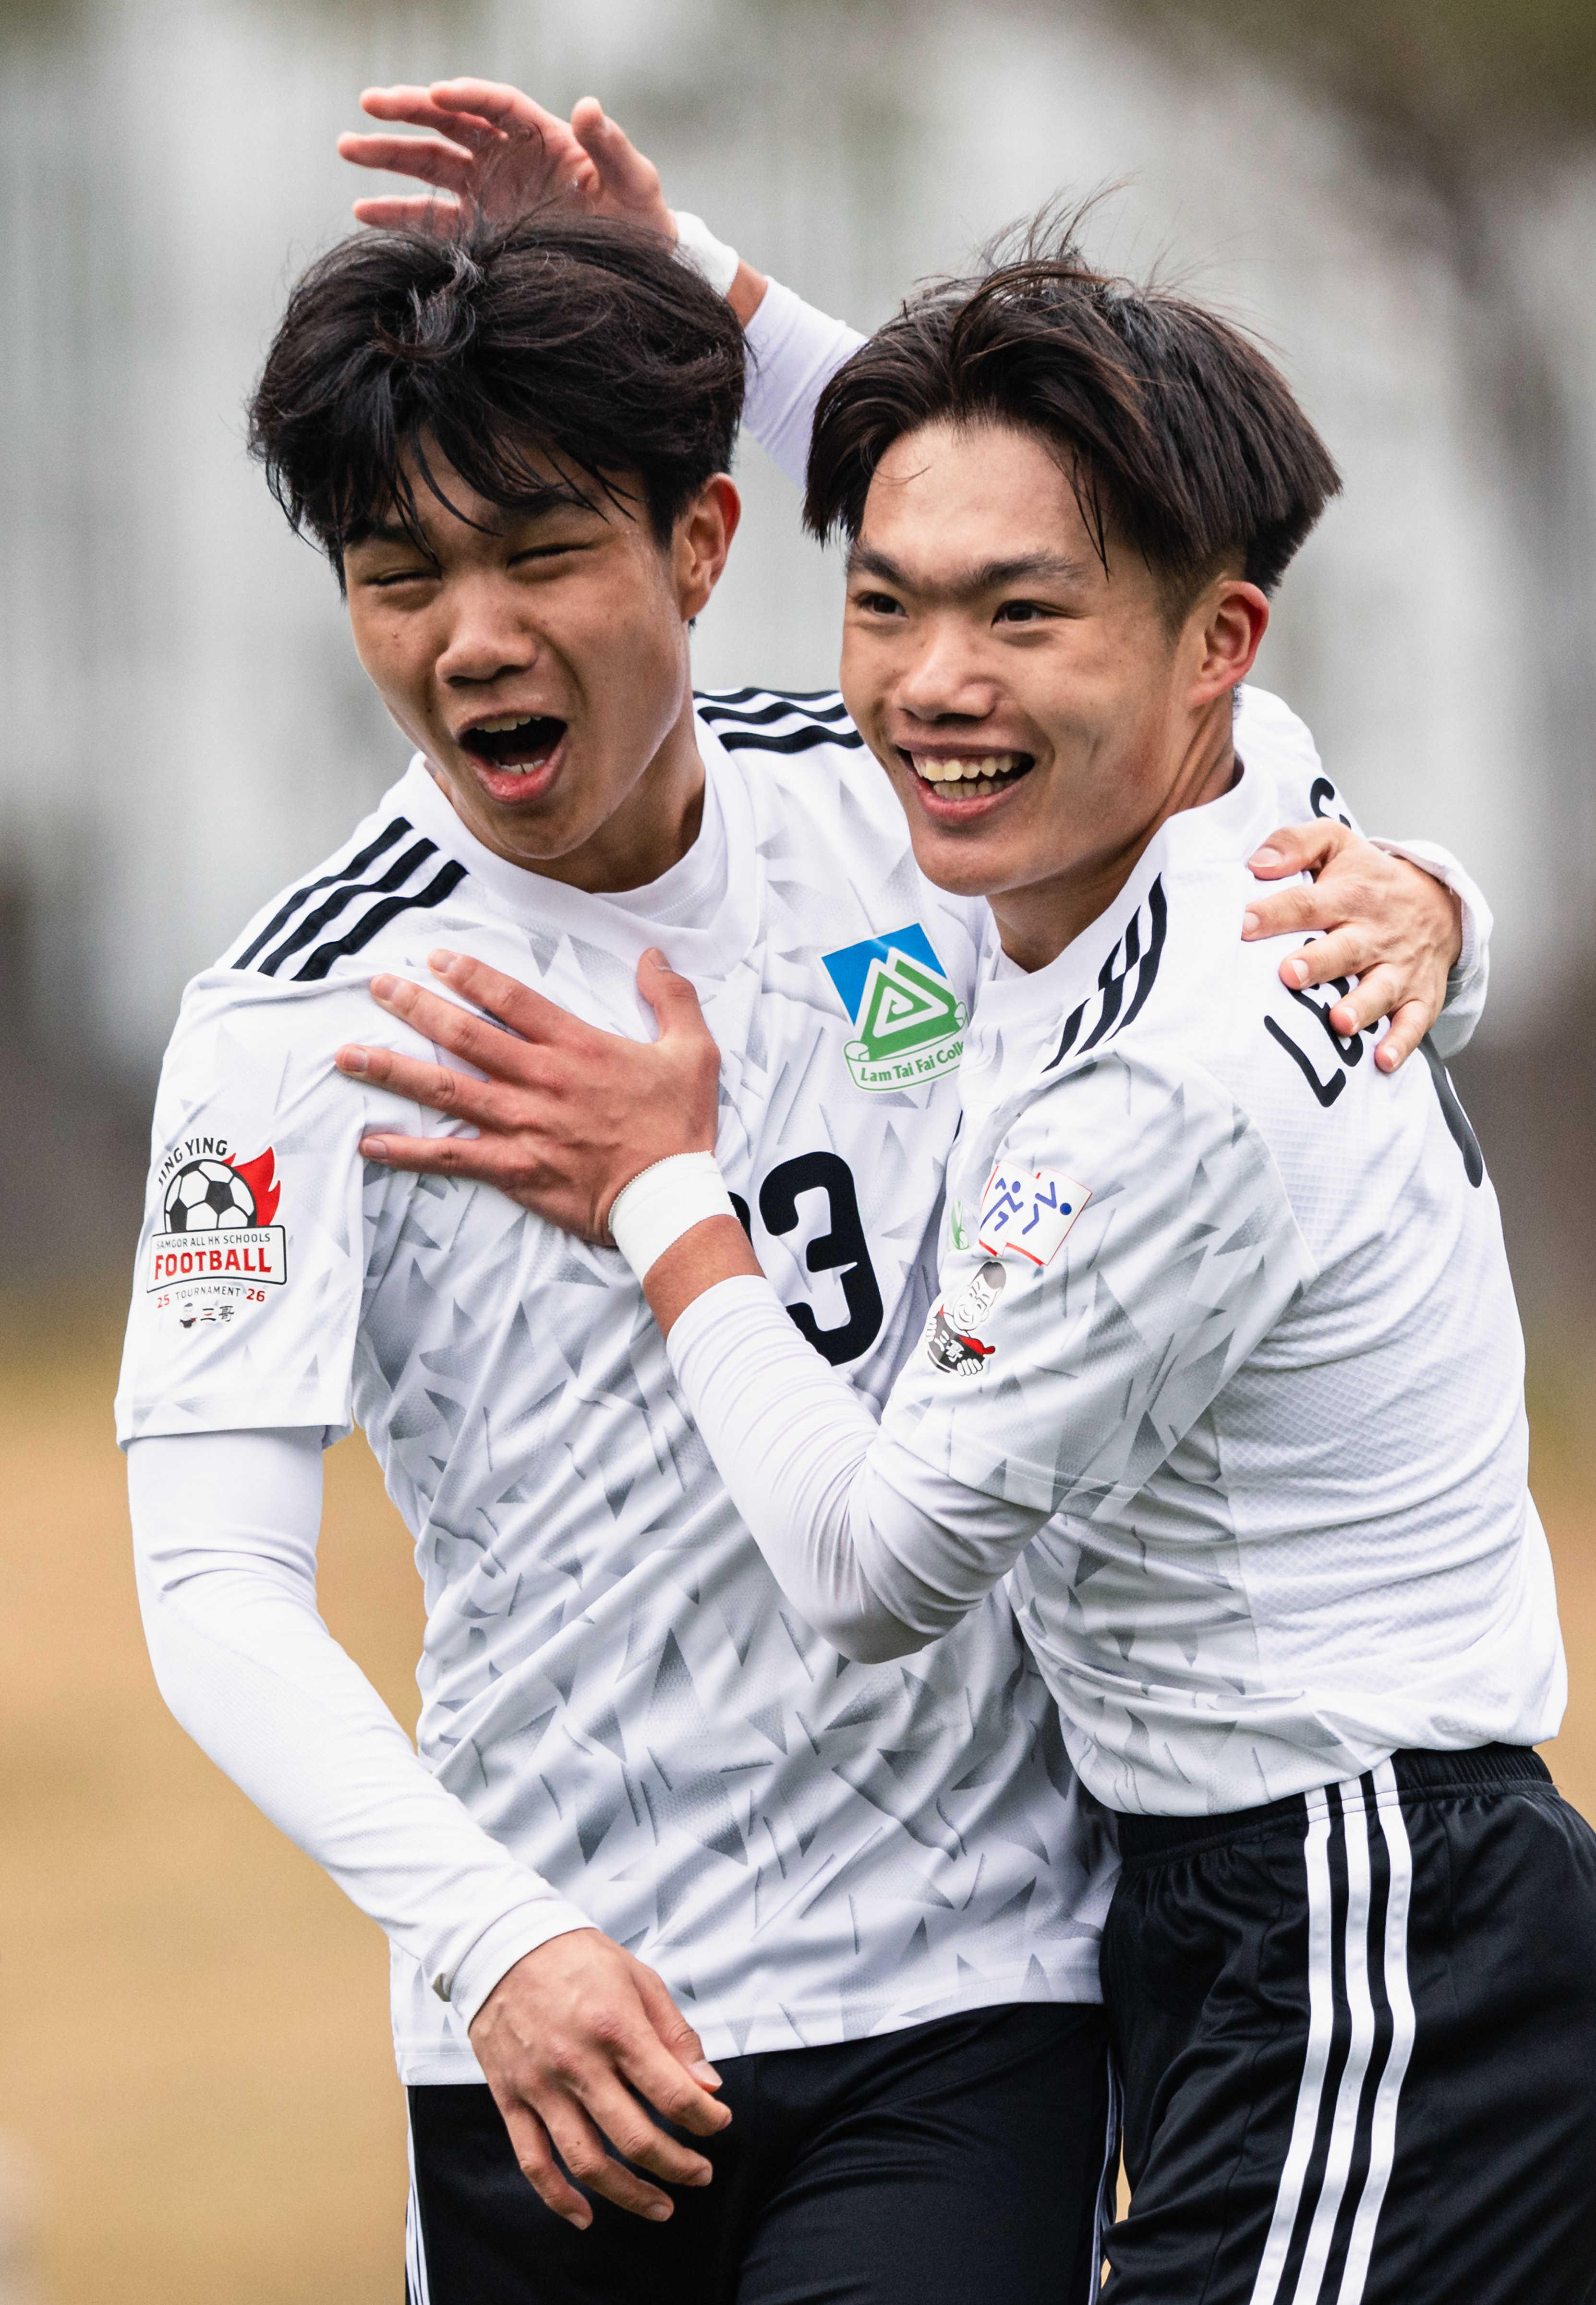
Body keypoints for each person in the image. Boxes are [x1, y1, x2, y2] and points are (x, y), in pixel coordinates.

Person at [118, 176, 1485, 2305]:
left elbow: (1154, 666)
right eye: (401, 578)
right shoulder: (300, 1022)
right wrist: (492, 1939)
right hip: (564, 2029)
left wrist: (1429, 896)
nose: (471, 636)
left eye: (543, 552)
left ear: (704, 540)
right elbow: (211, 1587)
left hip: (974, 1989)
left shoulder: (909, 822)